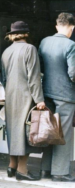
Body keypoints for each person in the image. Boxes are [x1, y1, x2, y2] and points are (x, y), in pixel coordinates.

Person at [1, 21, 45, 181]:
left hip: (10, 95)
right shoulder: (30, 49)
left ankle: (11, 166)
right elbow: (34, 78)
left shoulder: (6, 51)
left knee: (13, 130)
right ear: (26, 34)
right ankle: (22, 170)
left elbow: (4, 77)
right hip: (26, 96)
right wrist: (39, 99)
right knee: (26, 133)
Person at [39, 12, 75, 182]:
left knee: (49, 131)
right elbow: (73, 73)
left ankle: (45, 168)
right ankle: (60, 172)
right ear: (72, 27)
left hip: (46, 93)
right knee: (63, 134)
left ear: (56, 26)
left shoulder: (44, 42)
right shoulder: (71, 45)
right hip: (65, 95)